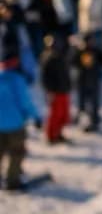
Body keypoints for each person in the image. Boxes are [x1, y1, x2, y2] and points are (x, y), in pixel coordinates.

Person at [0, 53, 40, 191]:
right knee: (16, 153)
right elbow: (25, 102)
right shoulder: (17, 80)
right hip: (14, 125)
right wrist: (36, 117)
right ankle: (12, 181)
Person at [38, 35, 70, 145]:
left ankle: (59, 133)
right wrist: (50, 90)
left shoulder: (61, 56)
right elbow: (45, 78)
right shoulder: (47, 58)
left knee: (63, 115)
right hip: (55, 92)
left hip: (63, 90)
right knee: (54, 115)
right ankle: (51, 136)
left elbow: (65, 74)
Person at [72, 35, 102, 133]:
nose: (90, 43)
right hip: (83, 81)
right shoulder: (80, 52)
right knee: (82, 103)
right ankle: (83, 121)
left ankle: (94, 121)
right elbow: (73, 62)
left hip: (93, 81)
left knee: (94, 103)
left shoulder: (96, 51)